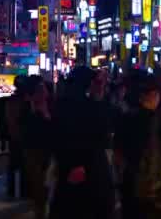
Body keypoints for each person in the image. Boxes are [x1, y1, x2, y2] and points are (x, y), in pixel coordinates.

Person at [114, 74, 161, 219]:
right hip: (158, 188)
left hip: (131, 185)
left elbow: (117, 156)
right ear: (154, 95)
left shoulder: (124, 119)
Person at [49, 67, 115, 219]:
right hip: (89, 169)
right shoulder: (89, 106)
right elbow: (102, 134)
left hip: (70, 168)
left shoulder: (61, 104)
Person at [20, 76, 54, 219]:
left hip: (53, 155)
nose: (44, 92)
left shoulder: (53, 107)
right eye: (39, 89)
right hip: (36, 156)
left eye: (44, 88)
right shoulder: (28, 114)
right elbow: (27, 137)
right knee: (40, 192)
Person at [5, 75, 29, 198]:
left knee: (13, 165)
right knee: (23, 164)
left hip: (14, 136)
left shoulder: (11, 101)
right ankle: (22, 191)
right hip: (22, 137)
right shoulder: (25, 101)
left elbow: (9, 119)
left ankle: (11, 190)